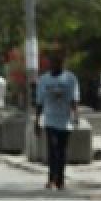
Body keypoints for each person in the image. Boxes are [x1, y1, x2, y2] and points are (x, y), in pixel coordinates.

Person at [34, 52, 79, 190]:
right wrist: (37, 121)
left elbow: (74, 99)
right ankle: (51, 178)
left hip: (65, 121)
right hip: (50, 119)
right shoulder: (44, 80)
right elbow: (39, 102)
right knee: (52, 149)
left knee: (61, 151)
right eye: (53, 62)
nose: (55, 65)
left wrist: (76, 116)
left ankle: (60, 179)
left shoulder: (70, 79)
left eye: (58, 63)